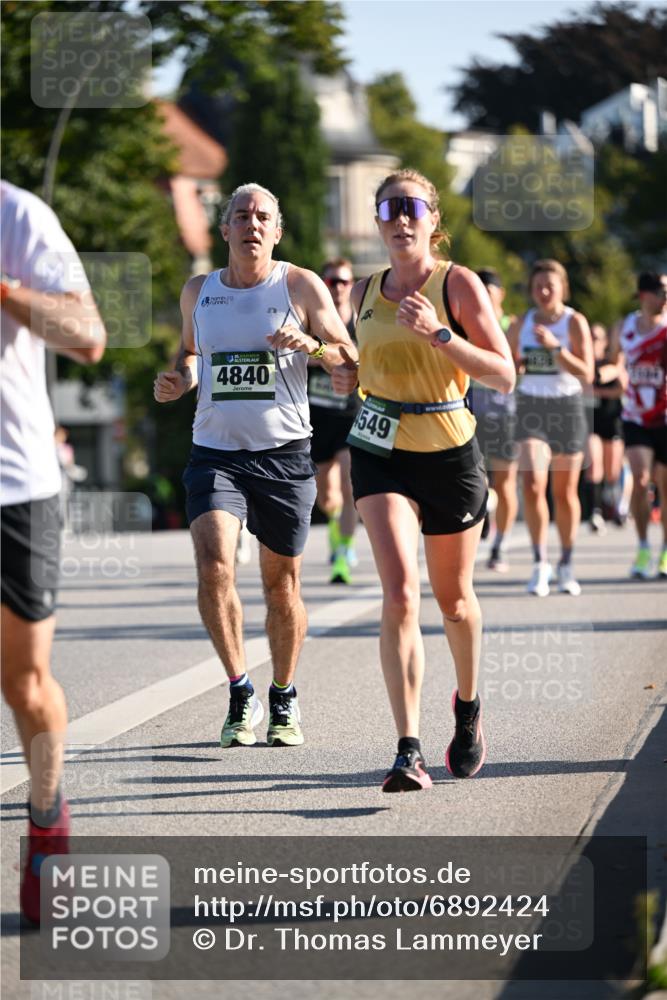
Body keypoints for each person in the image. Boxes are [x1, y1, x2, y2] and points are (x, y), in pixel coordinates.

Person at [154, 182, 357, 749]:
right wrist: (179, 381)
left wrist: (310, 346)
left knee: (280, 585)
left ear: (277, 230)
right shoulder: (200, 290)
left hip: (285, 456)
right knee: (215, 565)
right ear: (224, 230)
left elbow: (348, 355)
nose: (252, 224)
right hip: (215, 452)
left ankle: (284, 695)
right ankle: (241, 687)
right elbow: (193, 356)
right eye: (240, 215)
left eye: (262, 215)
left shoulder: (299, 284)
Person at [332, 168, 514, 792]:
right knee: (401, 594)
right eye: (388, 208)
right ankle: (407, 748)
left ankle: (466, 709)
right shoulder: (360, 292)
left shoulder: (455, 283)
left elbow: (502, 373)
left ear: (433, 220)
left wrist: (438, 334)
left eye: (411, 206)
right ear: (377, 221)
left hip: (449, 454)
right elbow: (359, 369)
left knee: (454, 601)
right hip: (380, 450)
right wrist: (343, 375)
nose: (400, 218)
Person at [0, 179, 106, 923]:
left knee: (25, 682)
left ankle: (45, 815)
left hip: (14, 483)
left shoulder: (18, 217)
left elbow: (86, 334)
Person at [508, 260, 594, 597]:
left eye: (550, 286)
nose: (543, 292)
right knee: (531, 483)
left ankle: (567, 564)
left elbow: (587, 372)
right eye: (538, 286)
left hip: (566, 406)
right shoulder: (521, 323)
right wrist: (518, 364)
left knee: (564, 492)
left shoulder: (575, 322)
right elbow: (508, 366)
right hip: (531, 406)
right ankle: (539, 563)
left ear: (563, 288)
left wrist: (555, 350)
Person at [611, 272, 667, 579]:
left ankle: (665, 552)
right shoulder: (625, 327)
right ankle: (644, 545)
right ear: (645, 294)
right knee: (641, 478)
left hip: (665, 416)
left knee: (665, 487)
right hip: (634, 416)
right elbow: (612, 360)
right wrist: (611, 373)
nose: (666, 297)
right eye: (662, 291)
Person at [308, 257, 359, 584]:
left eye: (343, 281)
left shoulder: (360, 322)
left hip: (351, 415)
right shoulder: (314, 321)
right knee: (327, 498)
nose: (338, 287)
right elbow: (297, 356)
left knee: (350, 485)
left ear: (351, 284)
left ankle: (343, 553)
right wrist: (318, 354)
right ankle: (335, 523)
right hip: (318, 418)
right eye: (331, 282)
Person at [469, 268, 518, 571]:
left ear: (500, 293)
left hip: (506, 414)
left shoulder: (512, 326)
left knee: (507, 480)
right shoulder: (467, 324)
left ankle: (500, 545)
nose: (484, 295)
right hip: (472, 411)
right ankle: (485, 511)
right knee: (477, 480)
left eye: (490, 290)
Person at [582, 324, 626, 532]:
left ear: (606, 341)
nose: (593, 341)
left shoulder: (613, 361)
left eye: (597, 337)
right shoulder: (582, 361)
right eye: (590, 337)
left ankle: (617, 506)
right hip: (591, 421)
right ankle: (595, 512)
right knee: (593, 465)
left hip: (612, 419)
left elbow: (621, 387)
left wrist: (597, 390)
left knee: (612, 471)